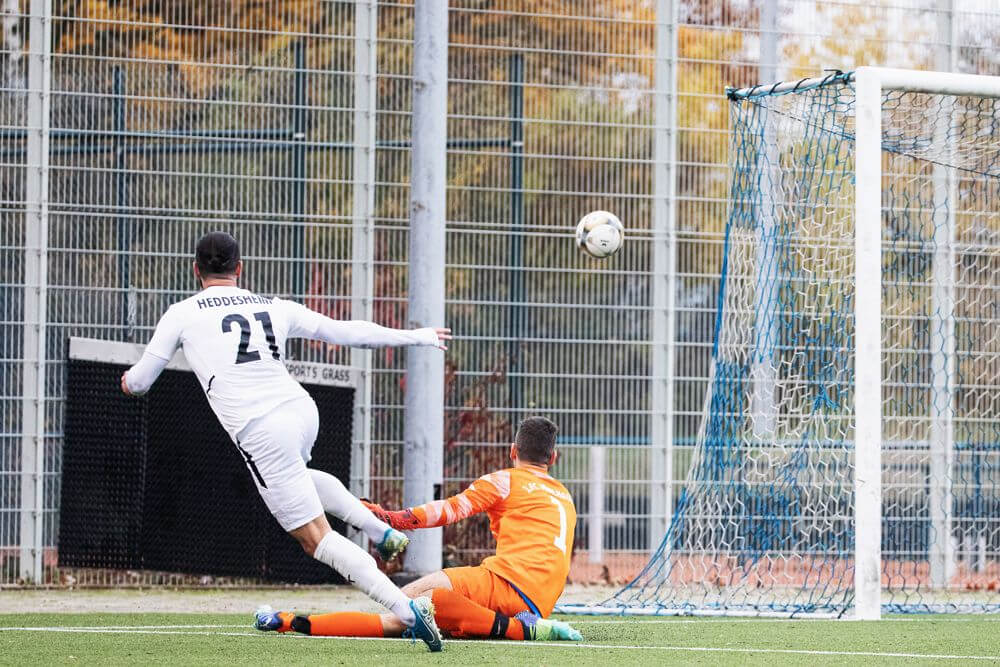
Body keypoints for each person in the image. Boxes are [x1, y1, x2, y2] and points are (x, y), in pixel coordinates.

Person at [121, 231, 447, 652]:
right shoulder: (274, 305)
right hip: (301, 410)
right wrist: (416, 336)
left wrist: (127, 382)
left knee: (316, 538)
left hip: (262, 428)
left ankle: (408, 611)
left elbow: (141, 381)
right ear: (240, 269)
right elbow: (344, 331)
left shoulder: (181, 313)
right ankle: (377, 529)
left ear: (195, 269)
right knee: (299, 476)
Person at [255, 416, 583, 642]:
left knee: (406, 606)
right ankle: (286, 621)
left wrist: (390, 519)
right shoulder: (564, 496)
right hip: (539, 602)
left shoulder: (506, 480)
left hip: (505, 584)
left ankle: (521, 630)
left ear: (513, 451)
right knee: (418, 612)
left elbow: (450, 510)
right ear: (553, 458)